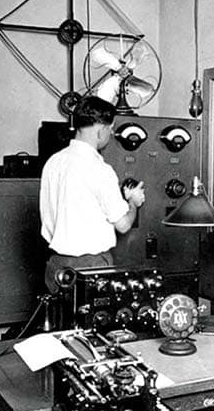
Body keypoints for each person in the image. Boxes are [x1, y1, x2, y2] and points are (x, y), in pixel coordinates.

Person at [39, 95, 145, 295]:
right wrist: (133, 202)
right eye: (110, 129)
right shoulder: (99, 169)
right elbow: (123, 225)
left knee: (61, 315)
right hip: (91, 266)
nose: (110, 134)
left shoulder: (53, 162)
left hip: (56, 266)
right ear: (101, 130)